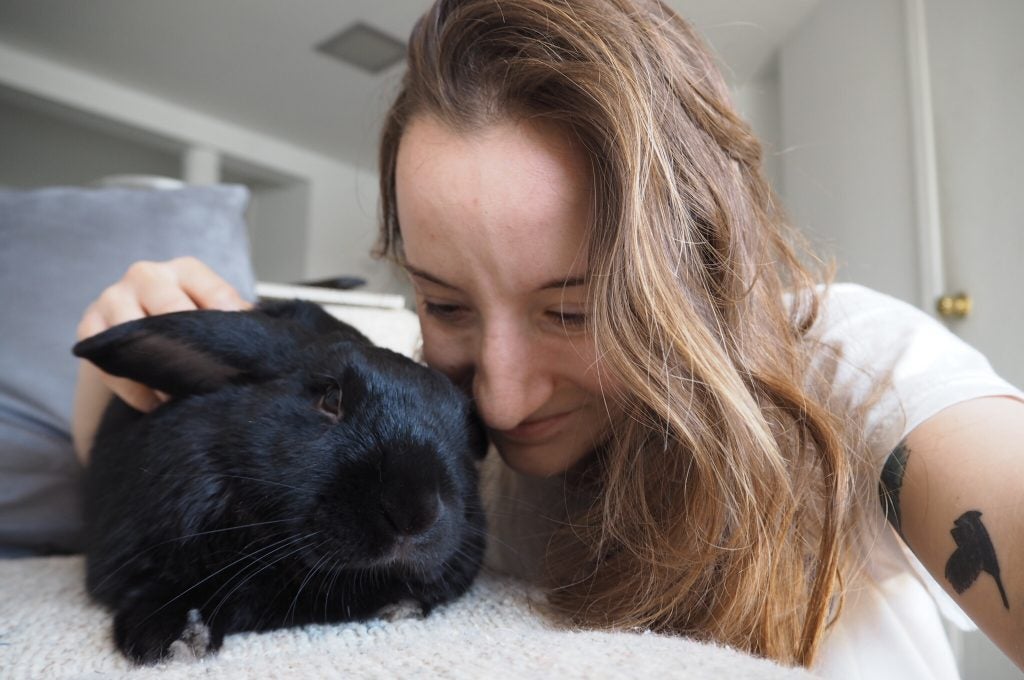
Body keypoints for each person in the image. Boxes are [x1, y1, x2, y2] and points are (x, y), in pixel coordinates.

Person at [73, 0, 1024, 676]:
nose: (501, 398)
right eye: (444, 305)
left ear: (693, 272)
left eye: (574, 309)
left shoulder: (849, 370)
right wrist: (119, 345)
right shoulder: (417, 411)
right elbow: (169, 471)